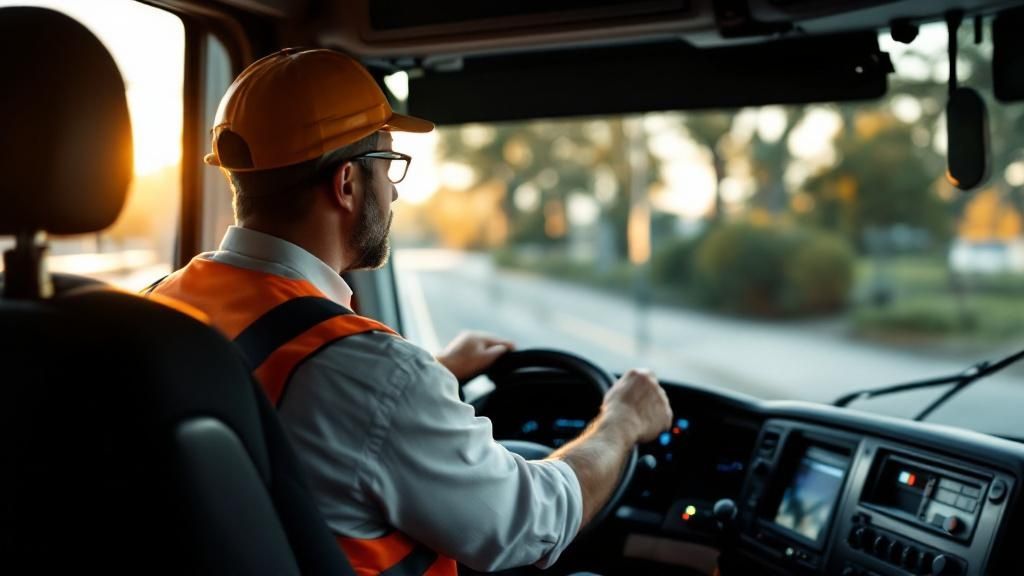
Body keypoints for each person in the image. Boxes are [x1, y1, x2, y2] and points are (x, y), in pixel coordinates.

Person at [148, 48, 673, 575]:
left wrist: (432, 375)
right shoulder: (371, 370)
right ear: (348, 182)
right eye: (389, 165)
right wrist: (623, 421)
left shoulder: (158, 305)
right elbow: (530, 523)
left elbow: (273, 418)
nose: (394, 192)